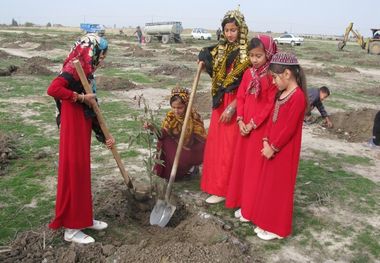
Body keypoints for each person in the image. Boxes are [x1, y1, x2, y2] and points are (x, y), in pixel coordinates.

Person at [47, 33, 115, 244]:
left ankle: (83, 219)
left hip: (81, 125)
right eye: (101, 55)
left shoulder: (86, 72)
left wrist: (105, 137)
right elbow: (53, 89)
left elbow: (93, 107)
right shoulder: (73, 69)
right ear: (91, 50)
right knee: (74, 172)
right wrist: (79, 97)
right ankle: (71, 229)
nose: (102, 60)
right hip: (72, 126)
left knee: (82, 172)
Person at [252, 52, 308, 240]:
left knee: (280, 189)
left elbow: (289, 128)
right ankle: (266, 221)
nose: (273, 82)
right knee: (269, 186)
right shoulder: (282, 94)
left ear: (287, 74)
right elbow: (272, 122)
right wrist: (266, 139)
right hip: (272, 148)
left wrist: (273, 147)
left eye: (275, 77)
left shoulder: (298, 97)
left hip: (284, 150)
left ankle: (277, 228)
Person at [198, 9, 251, 204]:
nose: (229, 34)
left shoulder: (248, 55)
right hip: (220, 101)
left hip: (236, 103)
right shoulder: (222, 50)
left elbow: (247, 85)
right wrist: (203, 59)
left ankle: (227, 189)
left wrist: (234, 107)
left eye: (233, 30)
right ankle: (216, 187)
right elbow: (210, 58)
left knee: (229, 148)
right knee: (217, 146)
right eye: (227, 30)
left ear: (241, 30)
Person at [225, 35, 278, 222]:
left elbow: (270, 104)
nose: (254, 59)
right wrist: (240, 120)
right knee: (243, 166)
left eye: (259, 56)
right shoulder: (248, 73)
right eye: (251, 55)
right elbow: (241, 97)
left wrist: (253, 123)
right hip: (244, 128)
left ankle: (251, 207)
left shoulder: (272, 76)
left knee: (254, 170)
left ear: (269, 54)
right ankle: (243, 202)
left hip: (258, 129)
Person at [144, 87, 207, 180]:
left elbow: (201, 137)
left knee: (203, 147)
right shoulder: (170, 116)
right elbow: (162, 134)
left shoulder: (194, 116)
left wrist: (188, 137)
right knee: (162, 142)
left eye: (180, 108)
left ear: (186, 105)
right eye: (173, 107)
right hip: (176, 148)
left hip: (191, 148)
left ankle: (192, 167)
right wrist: (152, 128)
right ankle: (173, 172)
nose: (176, 111)